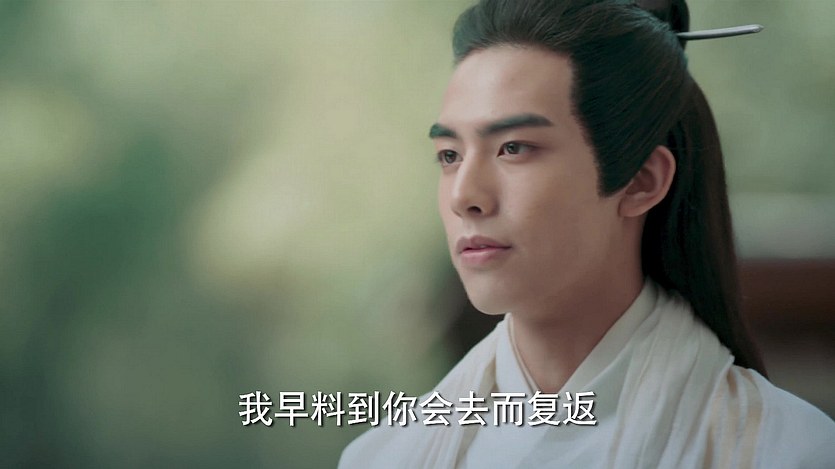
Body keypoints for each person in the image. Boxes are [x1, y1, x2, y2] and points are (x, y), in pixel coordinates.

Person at [340, 0, 835, 467]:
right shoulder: (387, 455)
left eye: (514, 148)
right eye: (450, 155)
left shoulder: (786, 451)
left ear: (641, 181)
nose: (464, 196)